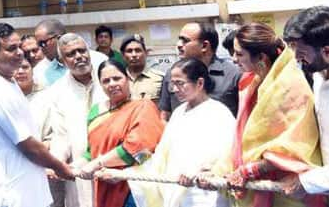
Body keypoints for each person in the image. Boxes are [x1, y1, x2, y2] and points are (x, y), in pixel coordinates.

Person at [199, 22, 322, 207]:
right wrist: (218, 171)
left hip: (287, 189)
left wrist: (247, 171)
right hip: (258, 186)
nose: (233, 59)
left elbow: (294, 148)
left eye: (239, 54)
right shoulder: (251, 83)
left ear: (261, 58)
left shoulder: (291, 87)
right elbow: (242, 139)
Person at [0, 23, 76, 207]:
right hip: (12, 195)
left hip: (27, 191)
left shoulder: (8, 81)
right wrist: (59, 166)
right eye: (11, 49)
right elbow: (29, 146)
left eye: (19, 47)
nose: (20, 53)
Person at [121, 57, 235, 207]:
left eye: (180, 83)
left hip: (204, 193)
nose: (174, 90)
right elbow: (164, 153)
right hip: (175, 186)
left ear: (200, 83)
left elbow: (226, 155)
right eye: (172, 84)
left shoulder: (219, 112)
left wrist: (199, 171)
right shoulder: (179, 112)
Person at [76, 59, 164, 207]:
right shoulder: (95, 112)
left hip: (134, 188)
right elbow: (91, 151)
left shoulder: (144, 107)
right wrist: (72, 166)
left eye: (117, 78)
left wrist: (97, 163)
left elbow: (142, 151)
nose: (112, 84)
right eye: (106, 81)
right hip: (104, 185)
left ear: (127, 78)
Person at [281, 6, 329, 206]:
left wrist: (308, 182)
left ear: (327, 51)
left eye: (302, 54)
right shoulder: (318, 77)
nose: (298, 61)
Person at [45, 33, 109, 207]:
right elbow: (61, 135)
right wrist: (57, 163)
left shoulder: (108, 79)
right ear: (63, 61)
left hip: (112, 165)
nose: (79, 56)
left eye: (82, 50)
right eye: (71, 54)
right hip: (80, 170)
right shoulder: (58, 92)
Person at [159, 21, 241, 120]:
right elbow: (164, 116)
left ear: (204, 46)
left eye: (185, 41)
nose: (179, 45)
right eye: (179, 40)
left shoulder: (234, 74)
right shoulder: (172, 74)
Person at [34, 19, 108, 88]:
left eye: (43, 43)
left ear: (59, 39)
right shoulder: (40, 72)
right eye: (39, 44)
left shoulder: (99, 60)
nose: (41, 48)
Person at [120, 35, 164, 102]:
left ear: (146, 53)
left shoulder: (160, 78)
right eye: (129, 51)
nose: (134, 55)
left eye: (138, 50)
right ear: (123, 56)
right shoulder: (118, 80)